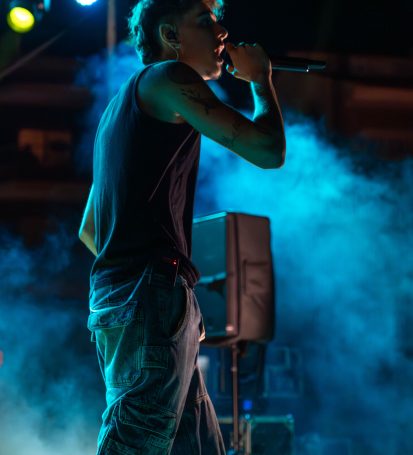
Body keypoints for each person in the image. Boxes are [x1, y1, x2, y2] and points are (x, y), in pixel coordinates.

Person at [78, 0, 286, 453]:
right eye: (206, 21)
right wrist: (260, 80)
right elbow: (269, 150)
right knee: (136, 442)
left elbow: (92, 229)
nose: (222, 32)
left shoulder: (119, 108)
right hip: (149, 294)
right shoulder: (170, 77)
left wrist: (167, 298)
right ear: (170, 35)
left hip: (131, 297)